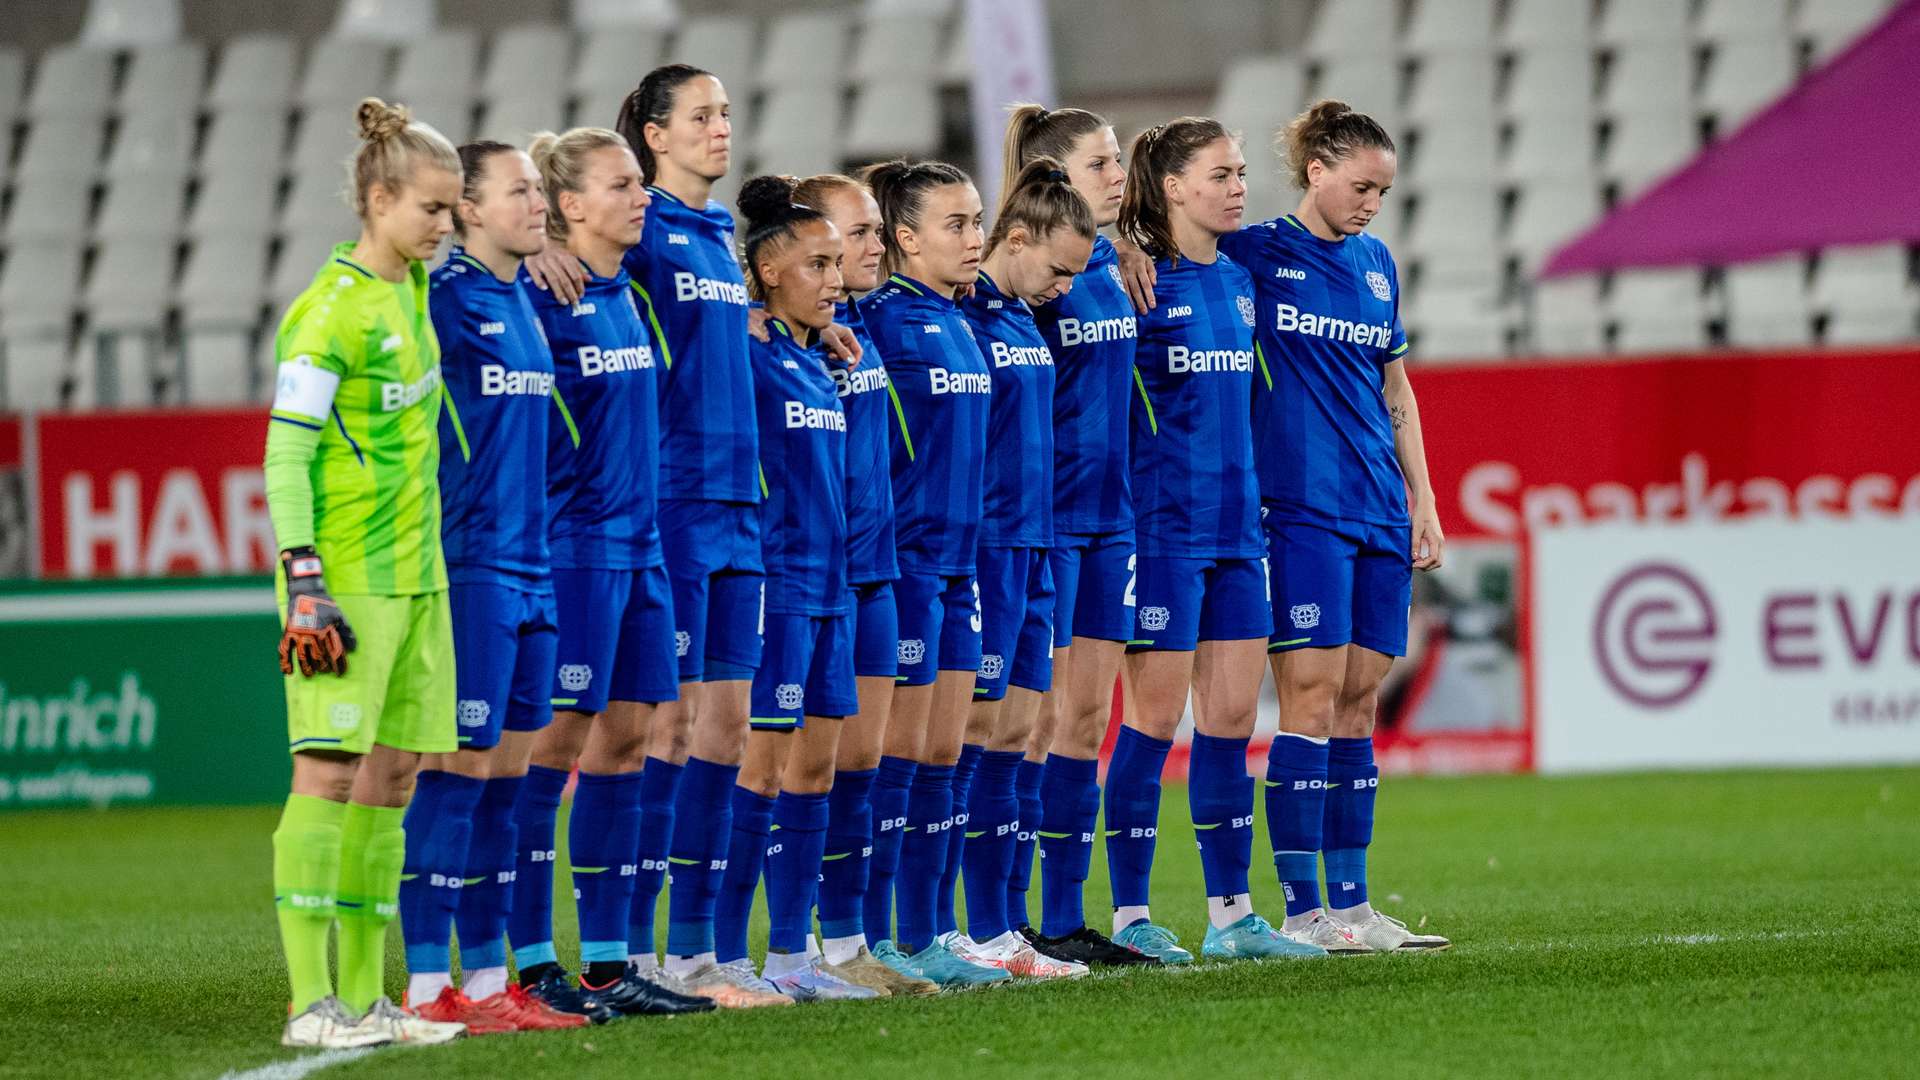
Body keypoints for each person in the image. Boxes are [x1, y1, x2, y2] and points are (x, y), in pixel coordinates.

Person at [264, 97, 468, 1048]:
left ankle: (366, 999)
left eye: (452, 207)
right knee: (329, 773)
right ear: (379, 200)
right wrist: (304, 580)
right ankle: (311, 1005)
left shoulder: (413, 287)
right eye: (431, 207)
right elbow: (285, 455)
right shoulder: (329, 313)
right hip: (345, 580)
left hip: (419, 577)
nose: (445, 225)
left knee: (392, 782)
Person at [1223, 101, 1449, 953]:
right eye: (1361, 187)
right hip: (1299, 511)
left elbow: (1397, 389)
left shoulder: (1378, 265)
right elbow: (1169, 252)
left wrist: (1424, 498)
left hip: (1379, 508)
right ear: (1316, 169)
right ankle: (1302, 910)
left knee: (1359, 702)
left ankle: (1353, 908)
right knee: (1310, 698)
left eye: (1383, 192)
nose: (1371, 205)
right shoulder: (1253, 254)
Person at [507, 126, 713, 1020]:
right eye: (621, 185)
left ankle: (606, 963)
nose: (640, 198)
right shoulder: (537, 297)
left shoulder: (628, 293)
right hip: (575, 553)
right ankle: (526, 962)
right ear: (570, 205)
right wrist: (531, 254)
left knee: (628, 745)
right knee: (548, 755)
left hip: (643, 551)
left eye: (639, 183)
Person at [1109, 116, 1325, 963]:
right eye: (1220, 175)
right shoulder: (1134, 283)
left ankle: (1232, 917)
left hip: (1240, 534)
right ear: (1173, 189)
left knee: (1231, 721)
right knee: (1152, 723)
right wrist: (1112, 244)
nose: (1239, 188)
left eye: (1239, 173)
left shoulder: (1240, 279)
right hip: (1162, 535)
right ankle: (1130, 917)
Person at [396, 140, 587, 1034]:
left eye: (540, 190)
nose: (538, 203)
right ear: (468, 209)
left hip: (535, 569)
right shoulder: (439, 301)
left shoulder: (526, 301)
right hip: (470, 566)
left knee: (511, 784)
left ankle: (484, 983)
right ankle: (423, 984)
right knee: (457, 775)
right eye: (520, 191)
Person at [996, 104, 1158, 967]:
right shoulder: (1035, 276)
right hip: (1048, 520)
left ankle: (1062, 919)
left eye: (1117, 161)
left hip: (1110, 519)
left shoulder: (1111, 265)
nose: (1117, 176)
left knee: (1088, 718)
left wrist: (1123, 246)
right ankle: (1006, 918)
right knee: (1038, 719)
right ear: (1057, 174)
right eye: (1100, 164)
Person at [710, 174, 878, 1002]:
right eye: (818, 264)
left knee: (814, 774)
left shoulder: (819, 360)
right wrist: (737, 321)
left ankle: (789, 960)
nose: (835, 279)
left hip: (831, 590)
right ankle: (719, 956)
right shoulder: (745, 353)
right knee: (760, 773)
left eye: (837, 264)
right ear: (769, 271)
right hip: (776, 590)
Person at [853, 160, 1008, 988]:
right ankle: (869, 937)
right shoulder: (880, 320)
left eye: (977, 220)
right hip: (906, 565)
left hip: (960, 566)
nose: (974, 236)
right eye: (956, 224)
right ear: (906, 239)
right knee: (897, 756)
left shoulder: (964, 318)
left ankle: (927, 932)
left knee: (946, 753)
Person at [790, 173, 939, 998]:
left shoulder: (869, 328)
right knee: (800, 773)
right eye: (860, 232)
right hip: (814, 579)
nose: (876, 244)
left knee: (861, 771)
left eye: (880, 229)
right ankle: (781, 951)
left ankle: (850, 945)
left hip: (879, 573)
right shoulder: (778, 342)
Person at [951, 157, 1096, 980]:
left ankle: (1003, 927)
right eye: (1058, 269)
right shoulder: (965, 313)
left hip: (1036, 546)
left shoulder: (1020, 319)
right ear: (1014, 240)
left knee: (1018, 735)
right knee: (976, 737)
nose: (1065, 288)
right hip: (988, 550)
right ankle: (956, 930)